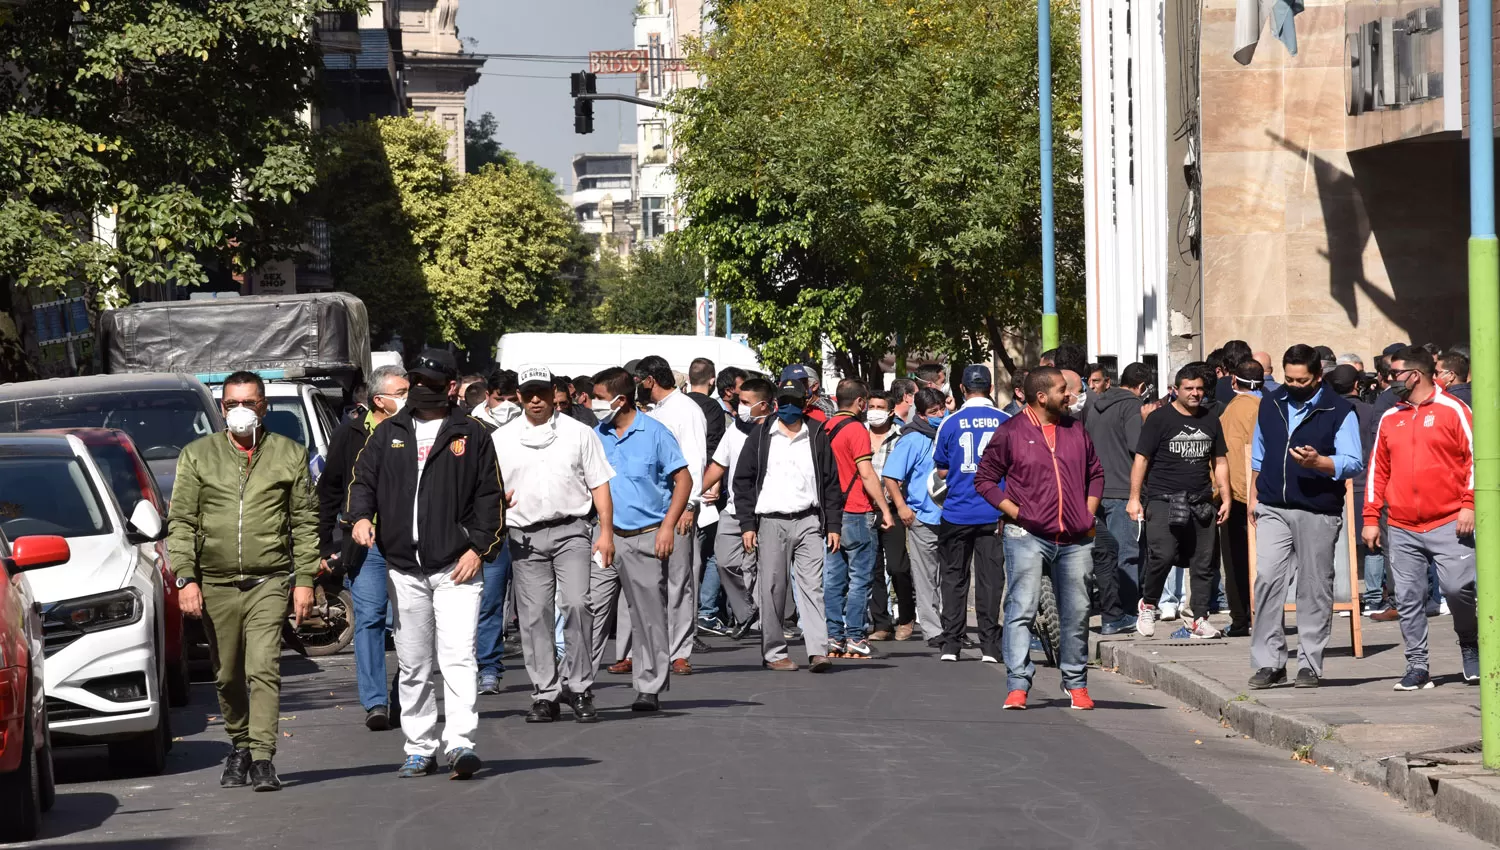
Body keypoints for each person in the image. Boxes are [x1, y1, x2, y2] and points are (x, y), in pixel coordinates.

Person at [347, 349, 504, 778]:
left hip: (457, 567)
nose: (422, 390)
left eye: (432, 383)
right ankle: (419, 746)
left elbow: (490, 500)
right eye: (416, 381)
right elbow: (364, 481)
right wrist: (360, 517)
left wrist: (478, 550)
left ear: (450, 388)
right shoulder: (388, 433)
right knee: (414, 663)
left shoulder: (472, 434)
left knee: (458, 658)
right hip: (403, 567)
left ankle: (460, 743)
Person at [168, 371, 317, 791]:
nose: (240, 411)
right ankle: (241, 745)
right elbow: (180, 522)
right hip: (214, 583)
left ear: (263, 406)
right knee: (227, 674)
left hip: (268, 580)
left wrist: (303, 578)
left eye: (249, 403)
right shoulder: (198, 456)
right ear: (221, 408)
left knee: (263, 668)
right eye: (232, 404)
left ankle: (264, 757)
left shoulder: (289, 454)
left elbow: (305, 522)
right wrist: (186, 579)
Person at [975, 367, 1105, 710]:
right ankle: (1018, 685)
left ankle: (1076, 684)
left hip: (1076, 538)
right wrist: (1017, 513)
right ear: (1041, 396)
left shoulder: (1076, 430)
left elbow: (1096, 474)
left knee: (1077, 611)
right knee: (1021, 609)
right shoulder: (1011, 432)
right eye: (1063, 389)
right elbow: (985, 480)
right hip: (1026, 536)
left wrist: (1088, 513)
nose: (1070, 395)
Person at [491, 365, 615, 723]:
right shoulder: (502, 439)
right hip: (524, 537)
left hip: (573, 529)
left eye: (541, 393)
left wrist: (605, 533)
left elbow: (600, 485)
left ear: (554, 394)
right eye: (528, 393)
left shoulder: (579, 433)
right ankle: (545, 694)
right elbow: (488, 489)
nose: (535, 400)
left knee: (578, 605)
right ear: (518, 396)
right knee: (534, 617)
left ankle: (579, 688)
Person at [1247, 345, 1364, 689]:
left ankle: (1309, 663)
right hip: (1272, 507)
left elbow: (1353, 461)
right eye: (1289, 378)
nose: (1295, 385)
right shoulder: (1270, 401)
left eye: (1303, 380)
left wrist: (1320, 463)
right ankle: (1269, 662)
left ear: (1318, 376)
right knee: (1267, 579)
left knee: (1314, 587)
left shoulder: (1339, 410)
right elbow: (1259, 452)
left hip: (1317, 509)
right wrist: (1254, 497)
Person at [1363, 347, 1479, 690]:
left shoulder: (1455, 410)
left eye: (1394, 373)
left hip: (1450, 521)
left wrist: (1469, 504)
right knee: (1408, 597)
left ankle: (1470, 643)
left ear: (1415, 375)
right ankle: (1417, 664)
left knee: (1459, 589)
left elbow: (1475, 459)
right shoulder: (1390, 417)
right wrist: (1371, 516)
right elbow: (1377, 471)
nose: (1388, 380)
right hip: (1401, 525)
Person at [589, 367, 691, 711]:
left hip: (646, 537)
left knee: (647, 615)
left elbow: (684, 480)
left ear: (620, 399)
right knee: (589, 610)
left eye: (600, 398)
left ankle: (649, 686)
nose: (594, 404)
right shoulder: (595, 434)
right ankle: (578, 685)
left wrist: (668, 526)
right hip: (604, 538)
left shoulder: (656, 433)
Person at [317, 363, 408, 730]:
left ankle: (405, 695)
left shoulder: (417, 430)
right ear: (379, 400)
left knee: (410, 621)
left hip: (410, 544)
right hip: (366, 545)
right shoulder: (349, 434)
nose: (408, 398)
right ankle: (375, 703)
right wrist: (324, 546)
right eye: (401, 393)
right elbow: (330, 491)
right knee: (369, 619)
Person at [732, 378, 844, 672]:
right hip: (770, 522)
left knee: (812, 586)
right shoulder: (761, 435)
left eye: (795, 402)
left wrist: (833, 525)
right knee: (772, 588)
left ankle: (818, 651)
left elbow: (831, 482)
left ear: (805, 403)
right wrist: (747, 525)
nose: (789, 408)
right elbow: (742, 481)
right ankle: (774, 653)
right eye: (785, 402)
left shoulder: (817, 435)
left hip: (808, 519)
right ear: (776, 403)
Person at [1128, 367, 1232, 639]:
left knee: (1203, 562)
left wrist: (1226, 495)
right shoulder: (1159, 418)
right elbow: (1142, 459)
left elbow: (1219, 461)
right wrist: (1135, 498)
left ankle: (1199, 618)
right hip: (1163, 499)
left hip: (1201, 501)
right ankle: (1148, 603)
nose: (1195, 393)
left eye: (1199, 388)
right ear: (1176, 389)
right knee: (1162, 555)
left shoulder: (1211, 419)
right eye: (1189, 388)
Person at [636, 355, 708, 674]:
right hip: (651, 507)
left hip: (678, 506)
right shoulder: (658, 411)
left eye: (639, 379)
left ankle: (679, 651)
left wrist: (690, 505)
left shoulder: (685, 410)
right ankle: (653, 647)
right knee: (653, 580)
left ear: (651, 380)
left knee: (679, 579)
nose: (637, 385)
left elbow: (695, 459)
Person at [931, 365, 1007, 662]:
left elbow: (941, 468)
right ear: (990, 388)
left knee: (953, 578)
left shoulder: (949, 423)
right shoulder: (1007, 421)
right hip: (994, 512)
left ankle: (951, 643)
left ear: (961, 389)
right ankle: (989, 645)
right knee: (990, 581)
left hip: (957, 512)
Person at [821, 379, 896, 658]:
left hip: (831, 514)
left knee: (833, 579)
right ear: (861, 403)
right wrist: (884, 509)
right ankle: (855, 635)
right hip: (857, 511)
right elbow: (866, 473)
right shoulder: (856, 430)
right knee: (860, 578)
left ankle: (833, 637)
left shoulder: (823, 429)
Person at [703, 378, 775, 637]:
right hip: (733, 511)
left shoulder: (776, 431)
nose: (739, 408)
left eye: (745, 403)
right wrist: (694, 491)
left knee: (761, 570)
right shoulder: (733, 430)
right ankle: (746, 610)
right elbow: (718, 465)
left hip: (764, 513)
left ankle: (768, 626)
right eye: (738, 402)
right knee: (723, 563)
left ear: (764, 405)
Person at [1084, 362, 1151, 635]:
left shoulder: (1095, 406)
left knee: (1104, 557)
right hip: (1124, 490)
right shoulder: (1132, 406)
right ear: (1143, 387)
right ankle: (1124, 613)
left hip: (1095, 491)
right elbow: (1139, 449)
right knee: (1127, 555)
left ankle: (1110, 611)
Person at [881, 388, 949, 645]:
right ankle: (934, 631)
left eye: (942, 409)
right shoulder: (913, 439)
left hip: (952, 516)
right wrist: (902, 508)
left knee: (950, 576)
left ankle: (951, 626)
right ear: (920, 414)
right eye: (933, 412)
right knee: (926, 576)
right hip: (923, 517)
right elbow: (890, 475)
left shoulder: (949, 432)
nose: (940, 415)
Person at [1217, 358, 1265, 637]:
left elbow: (1225, 455)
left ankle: (1240, 619)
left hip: (1234, 495)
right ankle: (1265, 614)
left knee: (1235, 560)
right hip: (1262, 493)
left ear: (1235, 381)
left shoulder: (1231, 412)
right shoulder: (1268, 407)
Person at [865, 392, 914, 641]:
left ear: (890, 411)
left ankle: (906, 617)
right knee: (872, 568)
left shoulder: (902, 436)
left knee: (897, 566)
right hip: (865, 509)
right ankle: (881, 624)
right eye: (871, 406)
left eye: (880, 407)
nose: (874, 411)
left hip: (893, 508)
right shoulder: (860, 432)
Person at [686, 358, 730, 636]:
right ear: (712, 380)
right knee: (710, 553)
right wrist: (713, 483)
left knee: (688, 555)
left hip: (679, 488)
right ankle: (704, 613)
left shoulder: (677, 405)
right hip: (703, 489)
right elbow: (714, 445)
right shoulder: (712, 407)